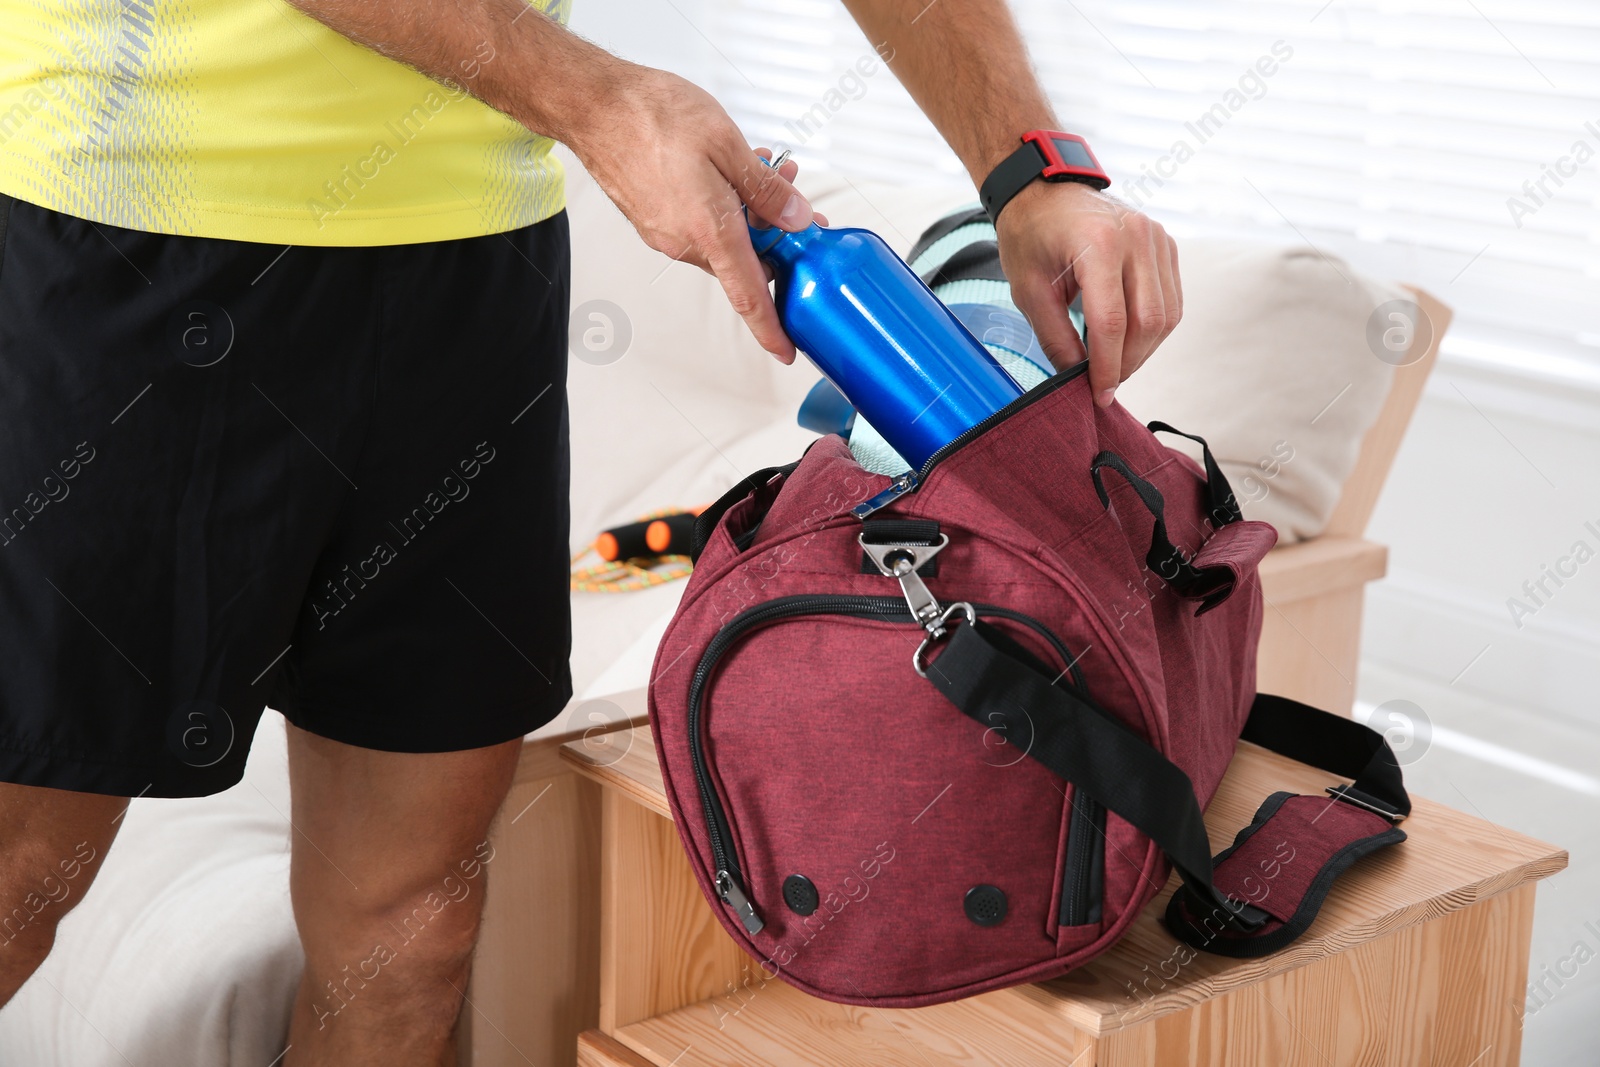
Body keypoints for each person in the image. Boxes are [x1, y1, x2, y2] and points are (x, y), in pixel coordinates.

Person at [0, 0, 1181, 1062]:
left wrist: (1035, 168)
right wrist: (598, 97)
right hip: (132, 231)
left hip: (469, 273)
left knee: (408, 951)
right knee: (19, 885)